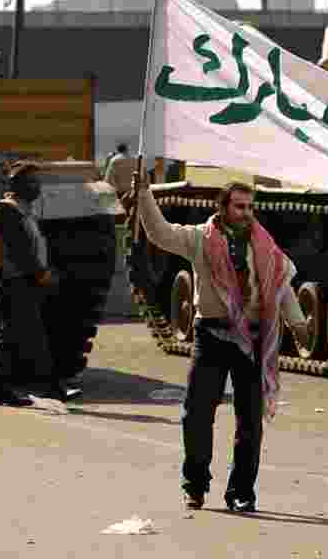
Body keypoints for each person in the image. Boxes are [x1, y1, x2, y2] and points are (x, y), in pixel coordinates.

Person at [133, 174, 311, 513]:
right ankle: (195, 485)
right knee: (197, 413)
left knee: (250, 421)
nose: (246, 213)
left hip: (252, 339)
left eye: (250, 207)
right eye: (239, 206)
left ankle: (242, 492)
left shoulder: (263, 243)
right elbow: (160, 233)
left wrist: (298, 323)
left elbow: (280, 285)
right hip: (212, 334)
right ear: (224, 207)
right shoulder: (201, 238)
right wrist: (143, 195)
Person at [0, 160, 77, 407]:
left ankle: (9, 389)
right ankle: (43, 389)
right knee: (21, 336)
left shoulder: (22, 210)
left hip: (23, 280)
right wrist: (40, 273)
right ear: (18, 184)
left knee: (23, 336)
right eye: (32, 181)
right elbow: (20, 251)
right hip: (14, 281)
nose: (37, 186)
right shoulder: (8, 210)